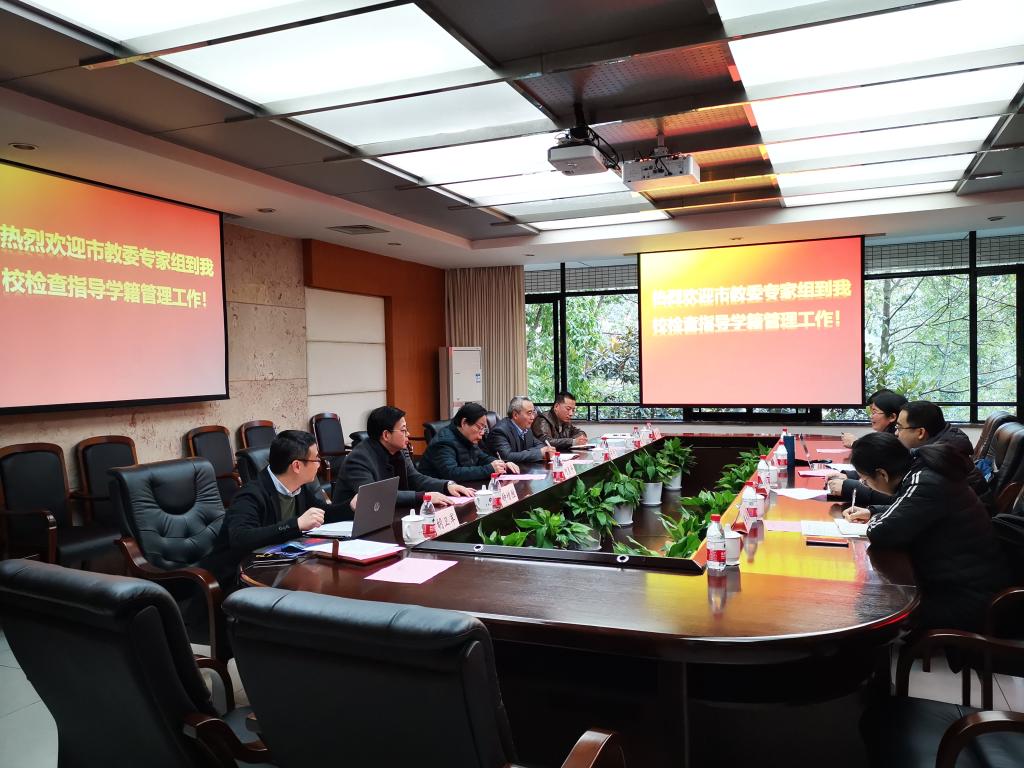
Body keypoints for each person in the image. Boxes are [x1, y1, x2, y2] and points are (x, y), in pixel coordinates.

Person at [842, 432, 1007, 632]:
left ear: (882, 474)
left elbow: (881, 532)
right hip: (956, 582)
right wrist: (873, 511)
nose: (865, 484)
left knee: (868, 610)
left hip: (964, 599)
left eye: (865, 480)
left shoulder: (925, 481)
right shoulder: (922, 468)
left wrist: (876, 519)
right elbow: (916, 508)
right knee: (870, 599)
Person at [218, 430, 348, 582]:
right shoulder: (251, 495)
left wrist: (350, 507)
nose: (319, 464)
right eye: (316, 459)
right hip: (243, 575)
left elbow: (322, 513)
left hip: (283, 566)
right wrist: (295, 524)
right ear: (297, 466)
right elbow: (241, 539)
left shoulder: (299, 486)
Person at [828, 400, 990, 507]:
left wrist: (852, 488)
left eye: (899, 428)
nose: (896, 433)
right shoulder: (932, 447)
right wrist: (854, 476)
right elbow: (897, 472)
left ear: (920, 432)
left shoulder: (941, 458)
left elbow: (907, 497)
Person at [333, 406, 474, 511]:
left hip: (389, 514)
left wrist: (446, 486)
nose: (408, 434)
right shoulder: (358, 459)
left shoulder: (399, 450)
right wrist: (424, 496)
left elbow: (414, 478)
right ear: (386, 435)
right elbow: (375, 495)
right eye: (403, 430)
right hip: (354, 523)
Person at [419, 402, 519, 484]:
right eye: (479, 427)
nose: (482, 433)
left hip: (463, 487)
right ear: (464, 423)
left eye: (484, 428)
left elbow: (481, 457)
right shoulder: (444, 442)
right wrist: (489, 469)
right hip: (436, 494)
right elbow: (451, 473)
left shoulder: (466, 437)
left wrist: (501, 464)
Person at [485, 396, 558, 465]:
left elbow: (540, 445)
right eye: (529, 413)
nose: (532, 417)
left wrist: (538, 452)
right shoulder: (500, 431)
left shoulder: (526, 429)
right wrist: (539, 453)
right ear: (515, 415)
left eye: (533, 413)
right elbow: (506, 457)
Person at [840, 389, 907, 447]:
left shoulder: (896, 439)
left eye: (874, 412)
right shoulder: (886, 436)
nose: (871, 416)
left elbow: (877, 451)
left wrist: (854, 443)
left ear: (892, 417)